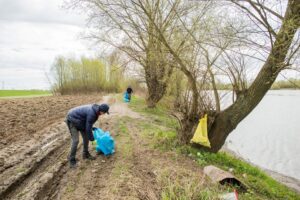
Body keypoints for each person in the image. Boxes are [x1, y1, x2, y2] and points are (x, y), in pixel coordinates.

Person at [65, 103, 110, 168]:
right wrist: (92, 139)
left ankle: (85, 154)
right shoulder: (92, 113)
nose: (104, 114)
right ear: (102, 111)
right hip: (71, 119)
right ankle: (72, 160)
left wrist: (91, 128)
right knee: (76, 141)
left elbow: (87, 123)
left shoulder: (96, 111)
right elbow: (88, 127)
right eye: (105, 112)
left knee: (86, 138)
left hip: (79, 121)